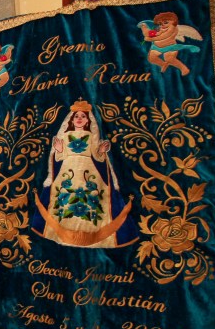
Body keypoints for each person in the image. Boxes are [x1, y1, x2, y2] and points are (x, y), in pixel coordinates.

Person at [30, 100, 138, 248]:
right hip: (67, 173)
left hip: (90, 173)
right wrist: (59, 150)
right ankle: (64, 231)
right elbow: (57, 160)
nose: (79, 119)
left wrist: (100, 152)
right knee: (66, 201)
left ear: (88, 120)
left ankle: (93, 233)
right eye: (76, 116)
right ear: (71, 120)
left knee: (92, 200)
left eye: (83, 116)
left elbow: (100, 161)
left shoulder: (92, 137)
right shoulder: (66, 136)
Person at [137, 11, 203, 76]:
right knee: (151, 58)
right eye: (160, 23)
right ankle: (163, 64)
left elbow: (163, 37)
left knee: (170, 59)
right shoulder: (160, 29)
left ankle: (184, 68)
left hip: (170, 47)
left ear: (174, 22)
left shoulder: (173, 29)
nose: (162, 25)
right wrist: (144, 27)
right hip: (156, 47)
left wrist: (150, 39)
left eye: (166, 22)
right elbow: (149, 34)